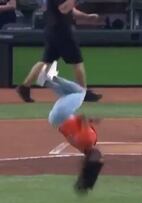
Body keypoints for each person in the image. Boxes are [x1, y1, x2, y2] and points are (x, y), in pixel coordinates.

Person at [16, 0, 102, 103]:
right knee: (77, 62)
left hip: (54, 30)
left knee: (45, 62)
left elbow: (71, 10)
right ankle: (83, 93)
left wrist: (87, 17)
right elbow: (64, 9)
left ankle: (24, 87)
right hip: (61, 31)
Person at [38, 61, 103, 193]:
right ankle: (46, 81)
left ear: (92, 156)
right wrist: (91, 121)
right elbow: (79, 122)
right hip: (56, 119)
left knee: (81, 92)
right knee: (67, 95)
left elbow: (82, 117)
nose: (101, 156)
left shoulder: (89, 140)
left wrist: (92, 120)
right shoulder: (83, 147)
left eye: (98, 158)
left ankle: (53, 77)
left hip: (62, 115)